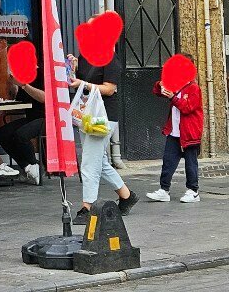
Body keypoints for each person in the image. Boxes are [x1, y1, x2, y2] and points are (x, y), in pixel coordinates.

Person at [69, 53, 139, 225]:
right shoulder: (84, 57)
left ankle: (88, 207)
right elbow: (81, 83)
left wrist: (83, 84)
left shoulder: (110, 58)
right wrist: (74, 68)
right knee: (99, 161)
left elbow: (109, 89)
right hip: (86, 115)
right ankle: (126, 196)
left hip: (103, 117)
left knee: (89, 162)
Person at [147, 66, 204, 204]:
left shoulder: (194, 88)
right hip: (174, 132)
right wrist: (160, 85)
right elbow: (157, 91)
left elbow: (187, 107)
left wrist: (172, 97)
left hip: (189, 133)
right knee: (168, 161)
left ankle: (193, 191)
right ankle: (164, 190)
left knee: (190, 163)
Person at [0, 73, 47, 185]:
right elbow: (20, 103)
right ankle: (28, 167)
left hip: (48, 118)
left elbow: (44, 98)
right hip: (31, 118)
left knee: (21, 134)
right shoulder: (25, 77)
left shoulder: (43, 75)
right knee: (2, 133)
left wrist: (24, 85)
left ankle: (34, 165)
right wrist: (4, 109)